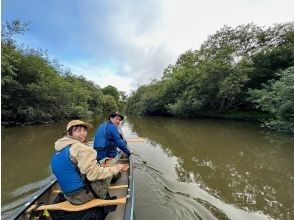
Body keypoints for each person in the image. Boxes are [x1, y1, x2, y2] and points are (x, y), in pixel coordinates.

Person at [51, 120, 127, 205]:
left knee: (102, 162)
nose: (83, 133)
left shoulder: (60, 148)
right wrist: (117, 168)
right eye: (78, 130)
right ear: (69, 133)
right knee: (112, 162)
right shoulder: (81, 148)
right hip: (82, 196)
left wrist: (100, 166)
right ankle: (103, 194)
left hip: (67, 195)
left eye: (84, 130)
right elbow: (93, 175)